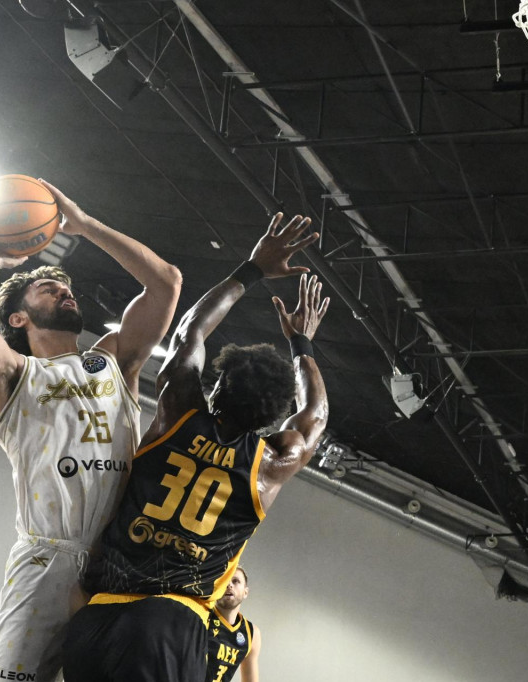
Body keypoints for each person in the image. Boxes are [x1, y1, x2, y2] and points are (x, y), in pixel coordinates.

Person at [63, 213, 329, 682]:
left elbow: (191, 331)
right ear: (274, 410)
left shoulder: (179, 413)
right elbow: (316, 416)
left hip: (95, 615)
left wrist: (252, 269)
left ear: (219, 384)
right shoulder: (270, 463)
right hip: (169, 621)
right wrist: (302, 344)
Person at [0, 180, 181, 682]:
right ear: (18, 317)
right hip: (46, 559)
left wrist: (84, 224)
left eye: (66, 286)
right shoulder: (15, 374)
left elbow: (165, 283)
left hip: (120, 564)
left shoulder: (113, 359)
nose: (64, 289)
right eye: (46, 287)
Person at [206, 567, 260, 682]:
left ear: (245, 592)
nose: (229, 585)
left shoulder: (251, 633)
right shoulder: (201, 617)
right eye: (224, 580)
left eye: (235, 581)